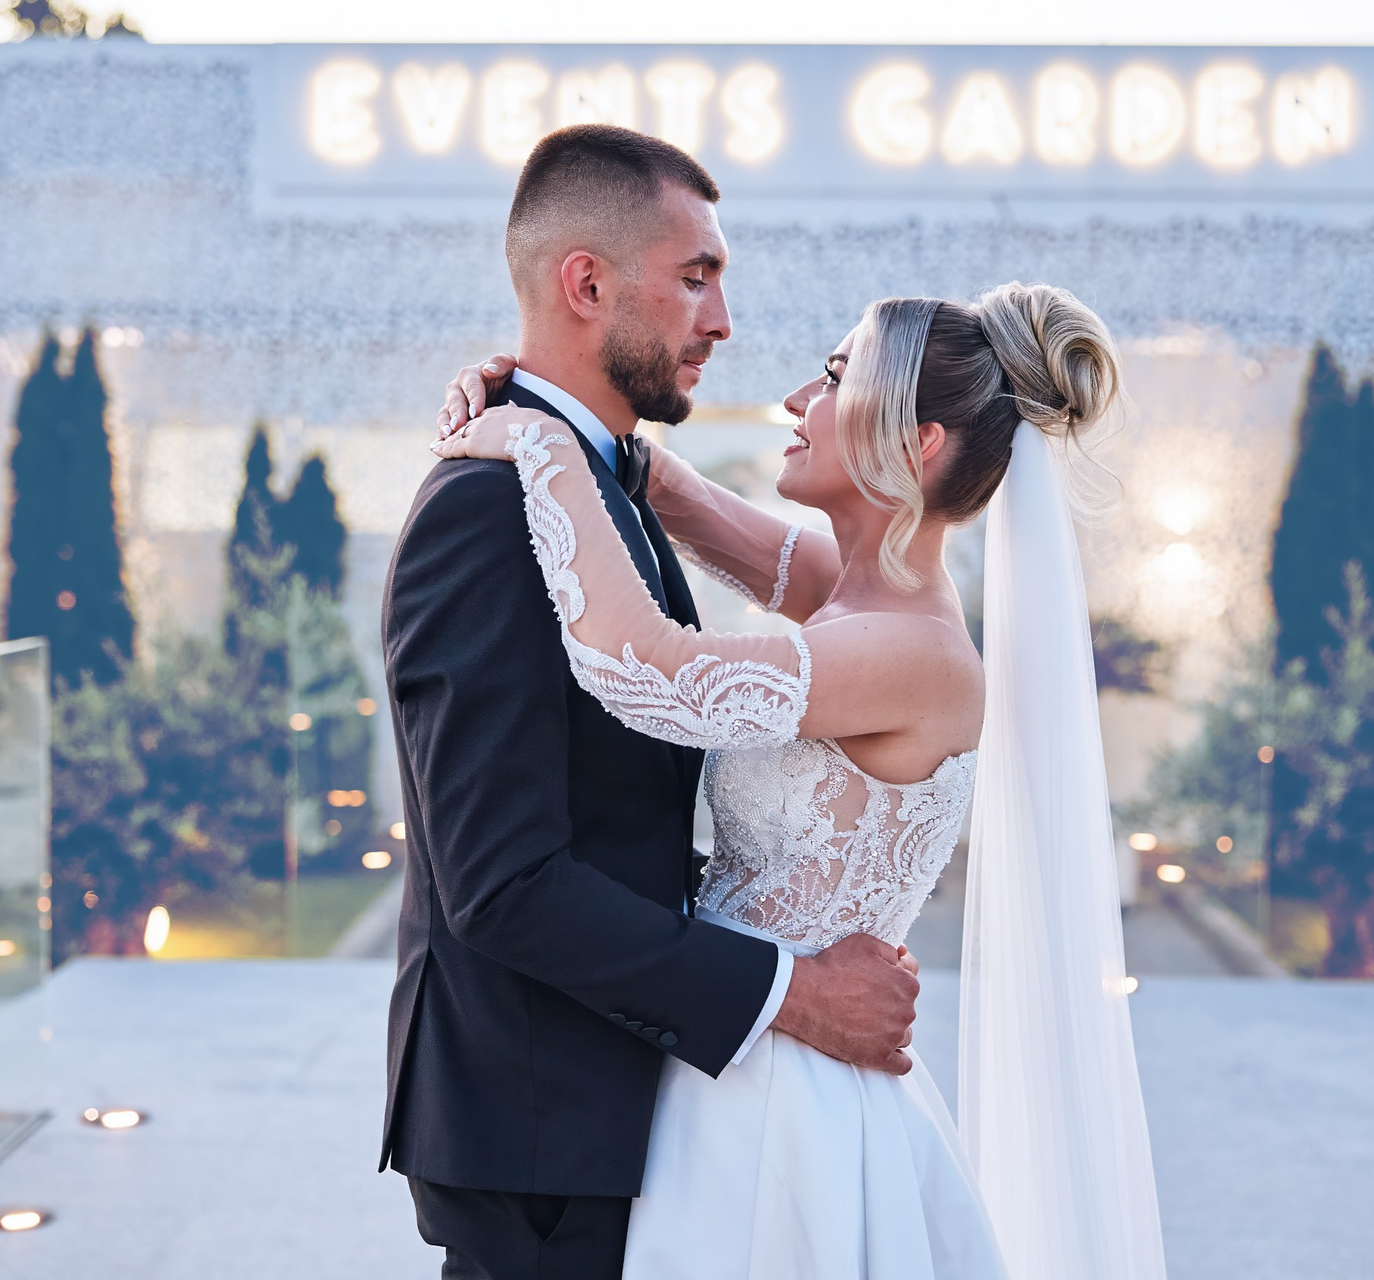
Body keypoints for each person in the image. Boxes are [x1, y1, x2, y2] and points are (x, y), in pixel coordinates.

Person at [435, 279, 1167, 1277]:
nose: (794, 399)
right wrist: (541, 399)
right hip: (729, 1049)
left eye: (833, 377)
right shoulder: (853, 592)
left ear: (917, 442)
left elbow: (650, 668)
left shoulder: (915, 652)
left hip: (781, 1102)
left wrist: (539, 446)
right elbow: (678, 496)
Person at [380, 124, 925, 1280]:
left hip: (620, 1106)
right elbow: (503, 881)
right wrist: (794, 992)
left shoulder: (589, 486)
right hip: (540, 1127)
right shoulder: (488, 511)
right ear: (587, 284)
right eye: (696, 276)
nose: (721, 321)